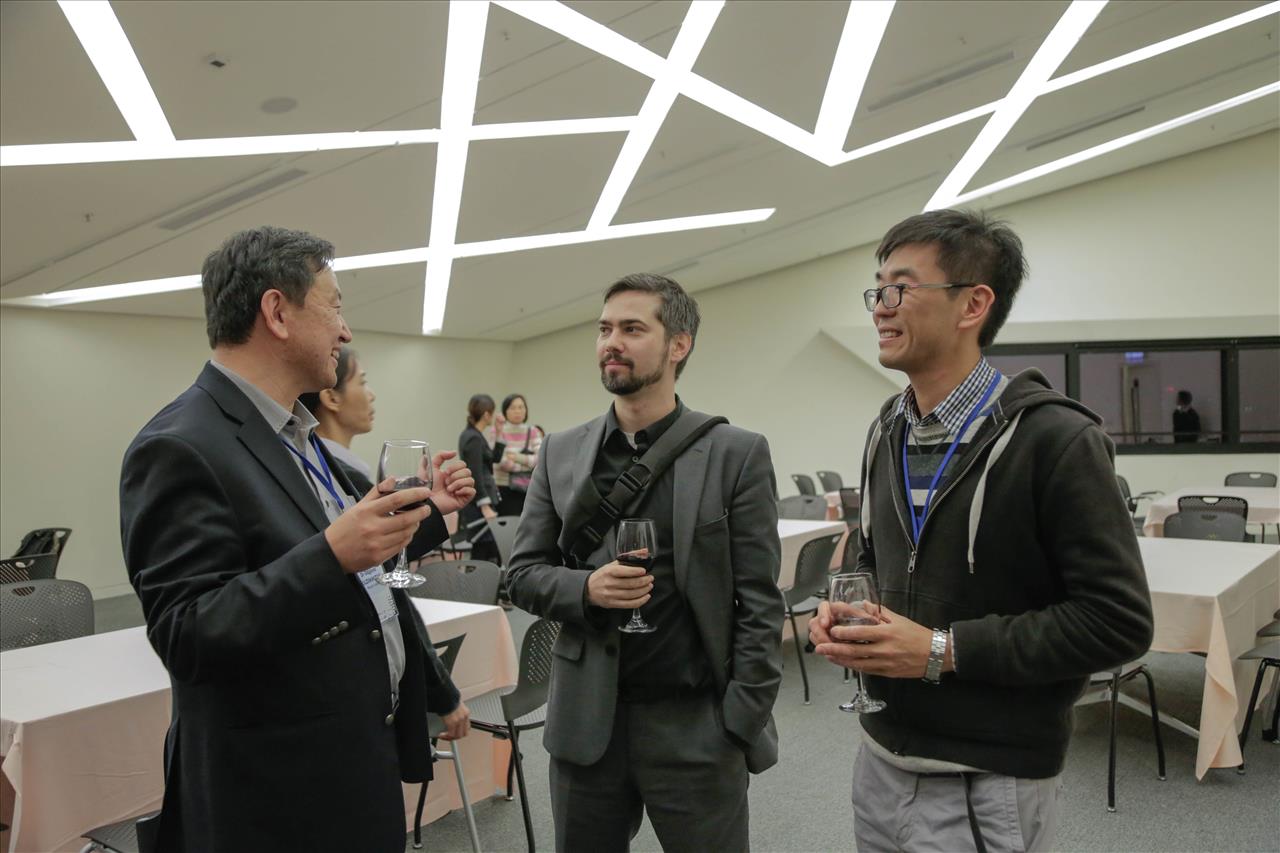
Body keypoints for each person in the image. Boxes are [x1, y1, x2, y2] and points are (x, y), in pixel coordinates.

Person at [119, 226, 477, 853]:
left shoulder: (300, 437)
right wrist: (332, 554)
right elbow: (188, 633)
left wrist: (430, 515)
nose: (345, 330)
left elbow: (342, 555)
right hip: (275, 797)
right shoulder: (179, 445)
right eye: (334, 306)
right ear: (278, 312)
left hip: (352, 761)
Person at [809, 210, 1153, 852]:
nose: (880, 307)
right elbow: (875, 556)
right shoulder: (888, 429)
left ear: (973, 304)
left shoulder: (1058, 440)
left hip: (989, 776)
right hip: (880, 759)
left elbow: (1117, 623)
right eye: (876, 289)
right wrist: (848, 607)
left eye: (900, 288)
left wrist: (942, 650)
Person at [506, 273, 785, 852]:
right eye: (604, 329)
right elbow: (522, 575)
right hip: (586, 725)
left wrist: (740, 718)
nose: (612, 342)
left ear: (678, 344)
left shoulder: (736, 453)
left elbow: (760, 600)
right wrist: (587, 590)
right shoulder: (560, 452)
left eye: (632, 329)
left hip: (697, 726)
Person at [298, 344, 375, 483]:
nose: (372, 396)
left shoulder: (304, 462)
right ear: (331, 398)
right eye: (362, 382)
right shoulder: (342, 477)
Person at [458, 393, 505, 562]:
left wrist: (499, 432)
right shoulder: (473, 438)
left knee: (487, 549)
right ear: (486, 414)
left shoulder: (474, 435)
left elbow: (494, 458)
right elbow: (475, 473)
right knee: (482, 551)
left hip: (480, 501)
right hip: (478, 504)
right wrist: (485, 506)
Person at [494, 393, 543, 518]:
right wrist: (527, 464)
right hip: (503, 487)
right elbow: (500, 462)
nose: (517, 411)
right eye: (513, 408)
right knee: (507, 526)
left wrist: (516, 457)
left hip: (528, 488)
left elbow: (540, 459)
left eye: (521, 407)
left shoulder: (533, 431)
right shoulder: (497, 430)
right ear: (505, 411)